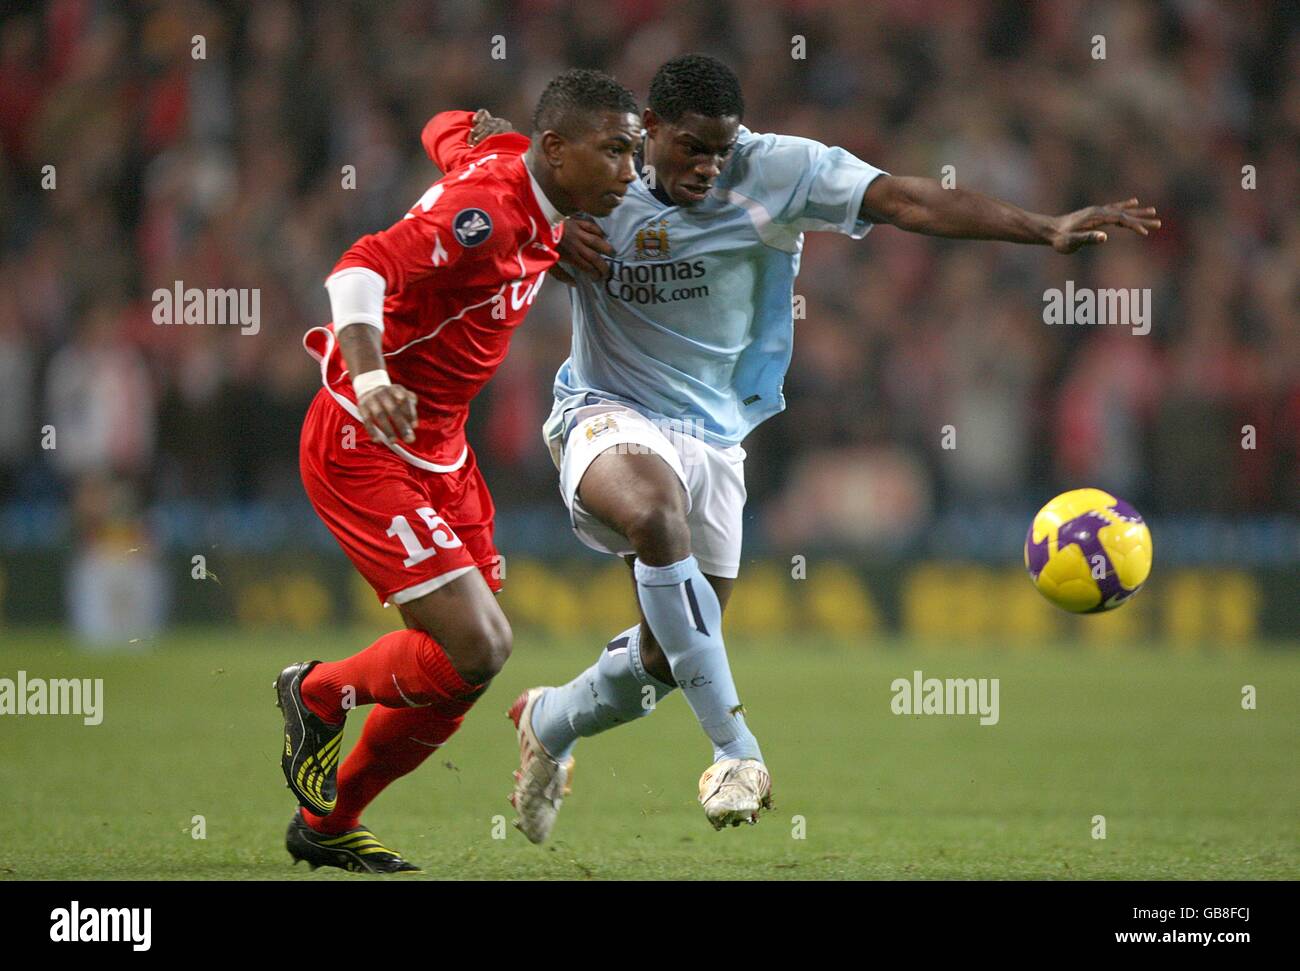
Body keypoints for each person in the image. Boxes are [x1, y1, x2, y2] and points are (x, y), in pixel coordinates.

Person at [488, 53, 1159, 843]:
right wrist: (547, 227)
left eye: (720, 147)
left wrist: (1041, 228)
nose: (708, 165)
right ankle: (736, 751)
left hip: (716, 433)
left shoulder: (776, 170)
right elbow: (488, 150)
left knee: (670, 658)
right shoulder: (600, 172)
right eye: (690, 147)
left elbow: (907, 200)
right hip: (606, 409)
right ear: (652, 130)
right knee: (654, 515)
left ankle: (550, 720)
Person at [275, 69, 641, 873]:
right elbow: (359, 268)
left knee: (460, 666)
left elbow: (448, 125)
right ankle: (317, 692)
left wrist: (546, 226)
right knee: (480, 643)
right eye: (614, 150)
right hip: (364, 440)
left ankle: (328, 822)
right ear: (555, 148)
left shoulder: (513, 163)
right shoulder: (484, 219)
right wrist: (371, 377)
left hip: (441, 448)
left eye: (634, 150)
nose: (630, 170)